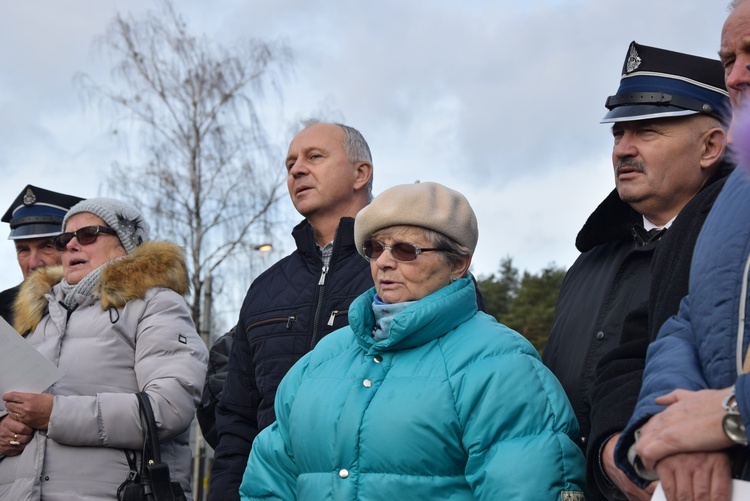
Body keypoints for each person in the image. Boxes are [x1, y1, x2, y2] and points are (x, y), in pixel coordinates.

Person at [239, 181, 587, 500]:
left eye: (405, 250)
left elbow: (527, 489)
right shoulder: (321, 359)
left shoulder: (504, 365)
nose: (385, 262)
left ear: (459, 262)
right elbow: (268, 482)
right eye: (375, 248)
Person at [541, 40, 731, 464]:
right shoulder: (588, 262)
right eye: (618, 132)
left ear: (710, 147)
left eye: (647, 130)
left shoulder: (736, 256)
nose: (623, 148)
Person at [615, 2, 750, 499]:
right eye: (727, 60)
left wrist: (733, 414)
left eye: (647, 129)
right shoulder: (737, 197)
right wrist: (667, 430)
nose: (734, 77)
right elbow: (691, 322)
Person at [209, 120, 376, 500]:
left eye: (314, 156)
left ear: (360, 173)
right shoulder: (265, 289)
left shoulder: (408, 270)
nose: (297, 169)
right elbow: (236, 417)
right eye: (290, 164)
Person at [0, 197, 208, 500]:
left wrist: (55, 414)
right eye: (64, 239)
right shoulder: (36, 316)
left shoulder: (156, 304)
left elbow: (170, 407)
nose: (70, 245)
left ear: (125, 244)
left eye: (87, 235)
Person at [0, 185, 83, 326]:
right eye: (23, 249)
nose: (33, 263)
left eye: (47, 247)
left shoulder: (102, 302)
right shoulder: (2, 306)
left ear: (73, 247)